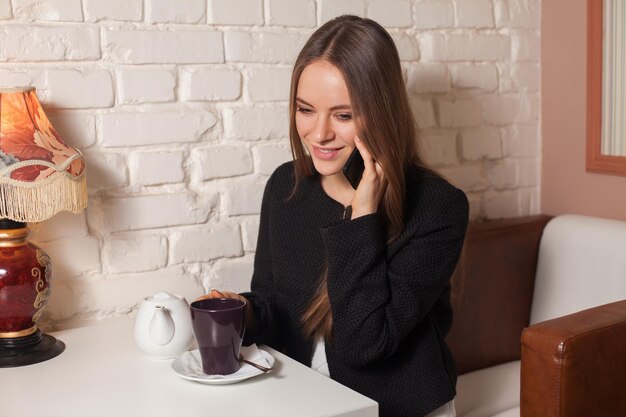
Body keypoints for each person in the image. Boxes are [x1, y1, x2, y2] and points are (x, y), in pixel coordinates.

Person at [203, 15, 469, 417]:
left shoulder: (439, 207)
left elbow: (364, 343)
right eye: (306, 110)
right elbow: (278, 307)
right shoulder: (285, 186)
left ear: (381, 113)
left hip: (397, 407)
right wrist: (244, 308)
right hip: (304, 397)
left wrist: (363, 217)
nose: (319, 133)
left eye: (343, 115)